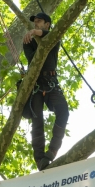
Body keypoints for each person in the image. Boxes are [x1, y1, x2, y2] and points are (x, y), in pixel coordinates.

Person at [22, 12, 69, 171]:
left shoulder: (54, 38)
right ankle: (40, 158)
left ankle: (52, 152)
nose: (36, 24)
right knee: (37, 121)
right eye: (34, 22)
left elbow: (52, 37)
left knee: (63, 112)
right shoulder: (28, 41)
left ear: (47, 24)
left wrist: (39, 34)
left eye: (39, 21)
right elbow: (33, 60)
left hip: (51, 82)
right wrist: (36, 38)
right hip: (36, 84)